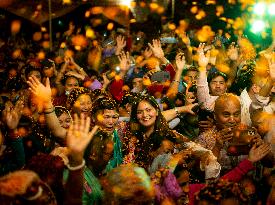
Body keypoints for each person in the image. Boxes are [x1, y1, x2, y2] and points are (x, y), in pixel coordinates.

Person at [125, 94, 221, 180]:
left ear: (157, 112)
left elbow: (204, 154)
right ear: (135, 115)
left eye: (148, 110)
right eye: (139, 112)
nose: (145, 115)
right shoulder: (130, 137)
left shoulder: (171, 135)